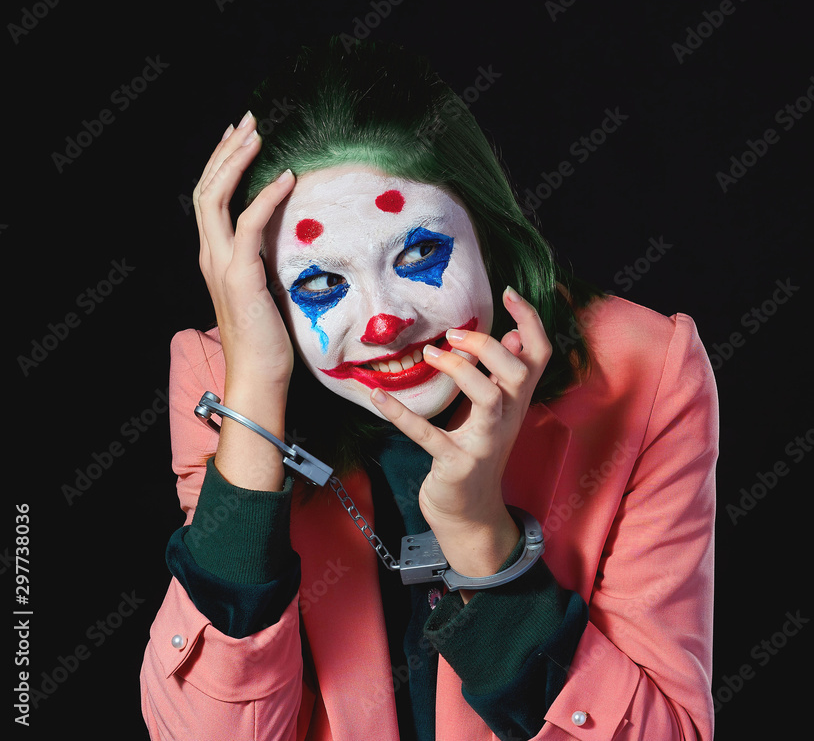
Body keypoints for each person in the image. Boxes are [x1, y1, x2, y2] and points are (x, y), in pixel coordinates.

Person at [139, 38, 719, 741]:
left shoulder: (641, 371)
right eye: (321, 284)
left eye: (419, 254)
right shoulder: (222, 383)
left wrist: (483, 540)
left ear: (488, 233)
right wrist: (256, 390)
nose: (385, 322)